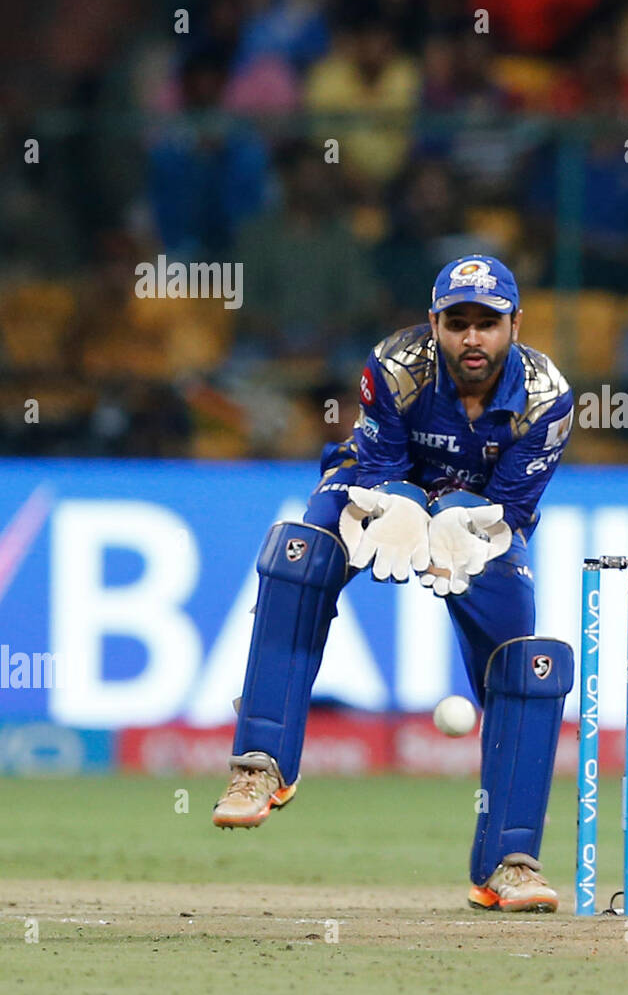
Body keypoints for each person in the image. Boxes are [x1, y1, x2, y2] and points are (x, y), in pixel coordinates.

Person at [212, 255, 577, 913]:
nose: (473, 339)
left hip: (479, 520)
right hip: (376, 487)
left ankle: (508, 865)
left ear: (515, 326)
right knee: (301, 553)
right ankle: (260, 765)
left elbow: (515, 508)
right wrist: (405, 500)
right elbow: (377, 461)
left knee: (529, 665)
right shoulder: (397, 364)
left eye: (488, 324)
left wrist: (454, 520)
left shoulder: (548, 397)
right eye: (458, 322)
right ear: (434, 323)